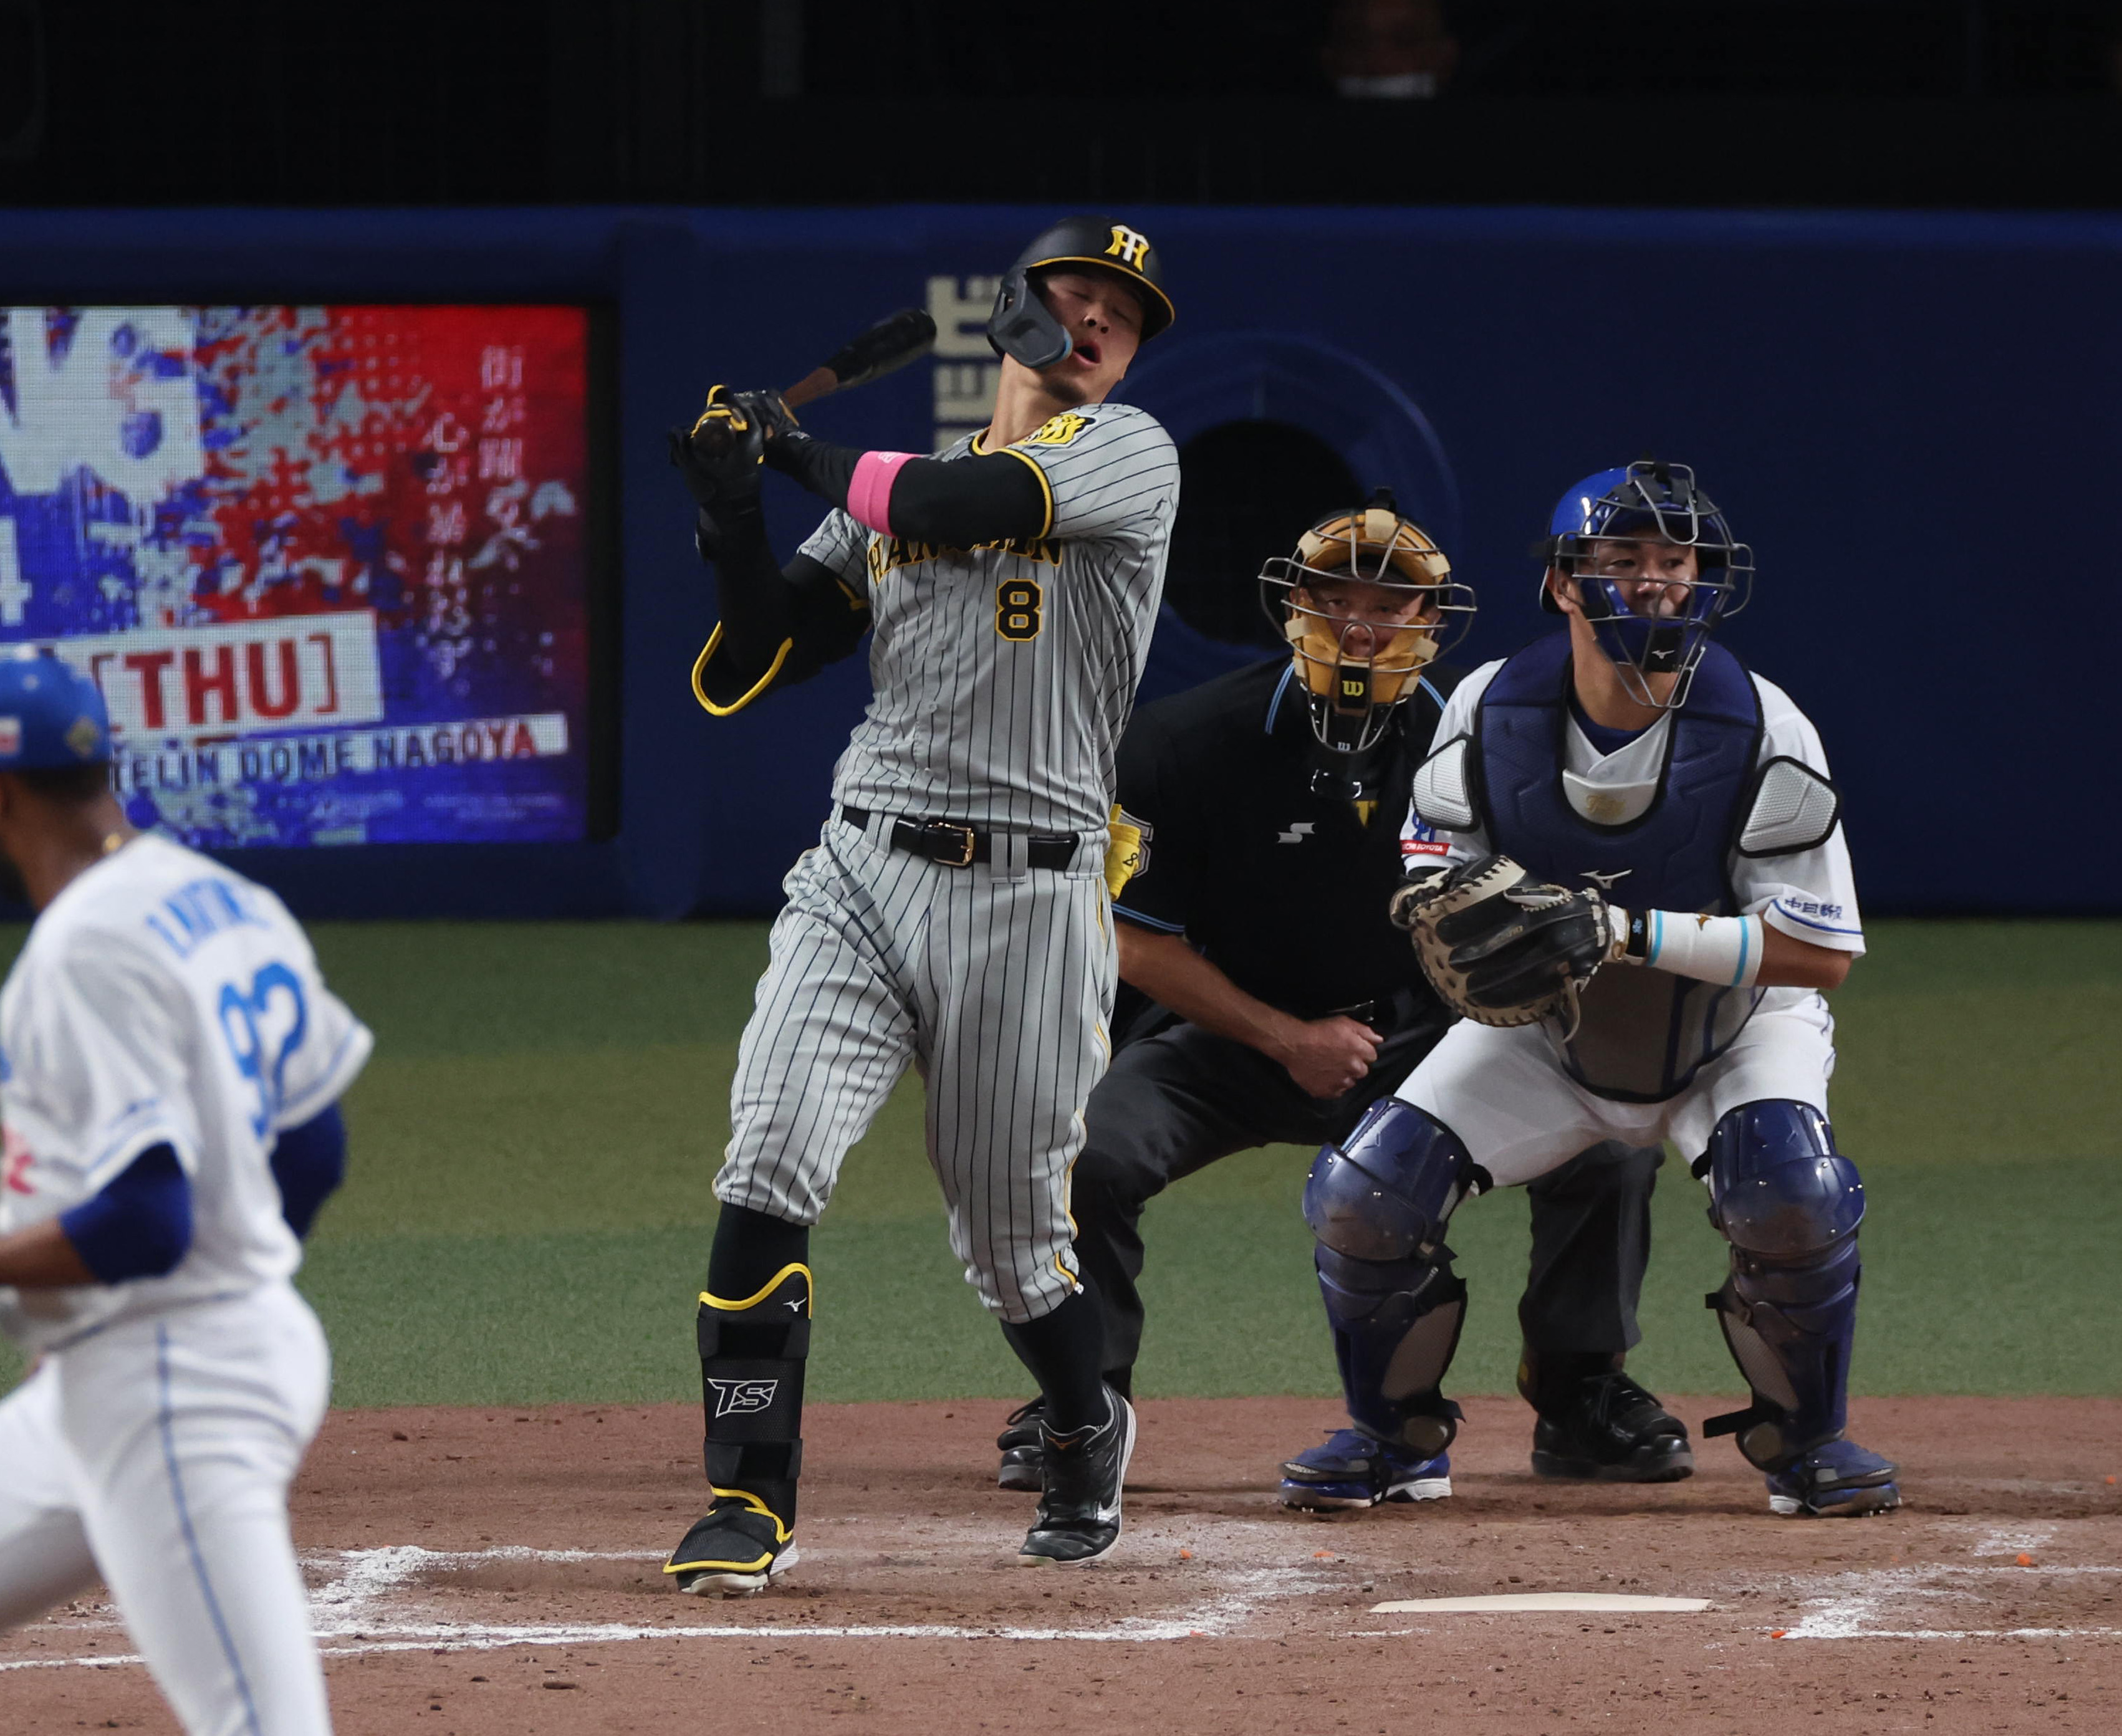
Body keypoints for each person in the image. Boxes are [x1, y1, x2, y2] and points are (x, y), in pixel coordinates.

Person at [659, 215, 1180, 1591]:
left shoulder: (1126, 457)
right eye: (1074, 295)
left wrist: (789, 449)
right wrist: (726, 508)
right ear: (1011, 309)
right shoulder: (889, 486)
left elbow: (960, 510)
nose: (1093, 324)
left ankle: (1083, 1416)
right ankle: (744, 1501)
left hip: (1028, 894)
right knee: (767, 1156)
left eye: (1118, 318)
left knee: (1012, 1240)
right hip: (861, 869)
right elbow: (748, 663)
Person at [991, 495, 1690, 1505]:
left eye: (1392, 603)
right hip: (1226, 1034)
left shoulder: (1486, 751)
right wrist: (1286, 1036)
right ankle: (1082, 1403)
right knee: (1083, 1152)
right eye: (1335, 595)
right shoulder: (1185, 741)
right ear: (1292, 605)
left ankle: (1582, 1390)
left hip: (1423, 1043)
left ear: (1435, 624)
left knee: (1608, 1140)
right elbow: (1127, 935)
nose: (1362, 624)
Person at [1282, 461, 1899, 1518]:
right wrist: (1454, 909)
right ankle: (1393, 1439)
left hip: (1736, 1031)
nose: (1657, 582)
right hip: (1550, 1034)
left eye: (1677, 560)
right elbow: (1434, 873)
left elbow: (1818, 954)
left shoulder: (1764, 725)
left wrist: (1622, 928)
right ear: (1565, 582)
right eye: (1623, 560)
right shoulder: (1488, 706)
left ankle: (1807, 1439)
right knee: (1362, 1198)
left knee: (1790, 1195)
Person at [0, 648, 372, 1732]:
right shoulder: (219, 897)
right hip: (152, 1366)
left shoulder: (80, 949)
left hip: (174, 1382)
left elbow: (145, 1221)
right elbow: (314, 1147)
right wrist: (238, 1265)